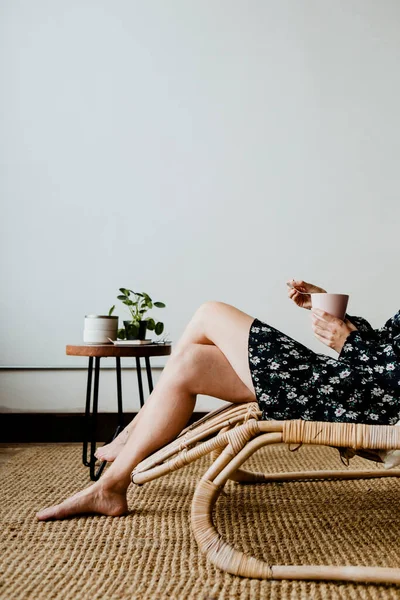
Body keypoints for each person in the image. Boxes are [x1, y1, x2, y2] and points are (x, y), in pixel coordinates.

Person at [36, 279, 400, 521]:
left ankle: (133, 431)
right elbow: (388, 345)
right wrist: (338, 319)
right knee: (189, 363)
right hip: (349, 386)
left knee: (210, 312)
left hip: (364, 403)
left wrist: (348, 341)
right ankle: (110, 488)